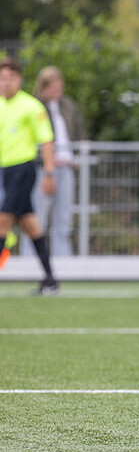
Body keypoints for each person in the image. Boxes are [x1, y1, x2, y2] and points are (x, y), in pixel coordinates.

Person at [0, 57, 59, 293]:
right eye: (2, 78)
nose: (5, 83)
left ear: (19, 79)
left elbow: (46, 140)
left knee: (3, 220)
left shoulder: (31, 106)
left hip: (23, 170)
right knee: (31, 225)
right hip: (5, 171)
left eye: (10, 78)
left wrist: (50, 173)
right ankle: (50, 280)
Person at [19, 66, 85, 257]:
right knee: (36, 217)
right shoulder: (35, 107)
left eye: (59, 87)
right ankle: (29, 259)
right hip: (42, 169)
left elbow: (78, 131)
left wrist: (77, 154)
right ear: (44, 87)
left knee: (63, 218)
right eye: (53, 88)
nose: (57, 91)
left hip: (65, 167)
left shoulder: (68, 105)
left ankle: (63, 260)